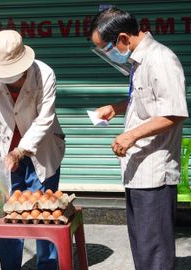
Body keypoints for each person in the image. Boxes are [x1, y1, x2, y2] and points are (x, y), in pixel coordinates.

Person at [89, 7, 188, 270]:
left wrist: (131, 135)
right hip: (138, 171)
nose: (106, 54)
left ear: (122, 38)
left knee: (154, 252)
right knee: (143, 248)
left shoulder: (161, 59)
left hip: (154, 172)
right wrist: (116, 108)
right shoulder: (139, 61)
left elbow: (174, 113)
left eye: (106, 48)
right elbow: (146, 100)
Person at [0, 30, 65, 270]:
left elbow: (44, 120)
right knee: (9, 215)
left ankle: (47, 265)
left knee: (44, 215)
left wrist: (19, 151)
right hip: (4, 155)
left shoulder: (44, 74)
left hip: (42, 151)